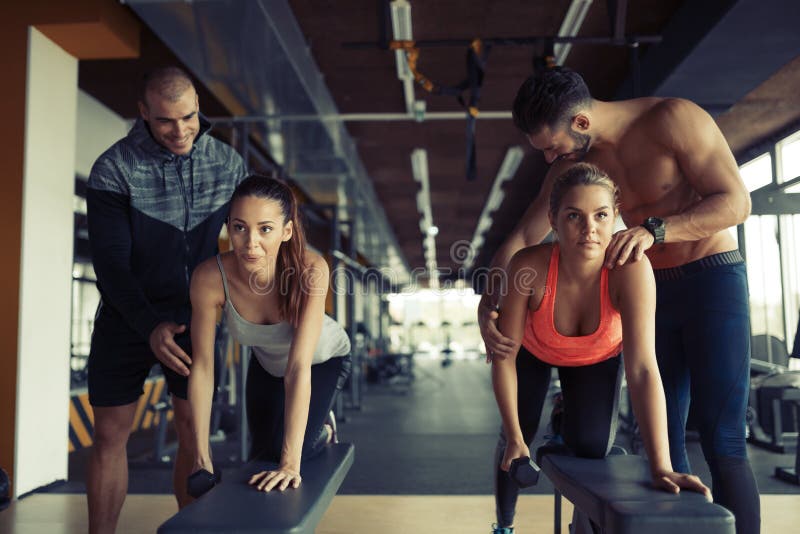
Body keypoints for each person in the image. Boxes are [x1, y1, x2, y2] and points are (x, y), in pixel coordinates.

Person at [480, 66, 758, 533]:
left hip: (711, 281)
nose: (550, 159)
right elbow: (522, 238)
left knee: (723, 439)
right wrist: (488, 302)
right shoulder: (577, 169)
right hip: (649, 291)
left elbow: (736, 203)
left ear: (581, 124)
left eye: (552, 145)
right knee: (661, 444)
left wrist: (654, 231)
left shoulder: (674, 119)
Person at [490, 163, 710, 533]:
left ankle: (564, 415)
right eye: (574, 215)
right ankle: (504, 524)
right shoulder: (527, 266)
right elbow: (504, 356)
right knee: (517, 439)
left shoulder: (631, 269)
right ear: (553, 220)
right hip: (533, 352)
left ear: (615, 217)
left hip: (597, 357)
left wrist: (661, 464)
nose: (589, 228)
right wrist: (514, 436)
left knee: (592, 447)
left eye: (601, 215)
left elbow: (642, 369)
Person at [86, 66, 247, 533]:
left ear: (199, 108)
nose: (180, 131)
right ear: (143, 114)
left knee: (192, 433)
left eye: (189, 117)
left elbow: (251, 237)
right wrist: (147, 325)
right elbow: (111, 264)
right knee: (110, 435)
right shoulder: (114, 168)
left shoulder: (227, 165)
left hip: (194, 315)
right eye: (165, 121)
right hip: (125, 313)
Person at [188, 174, 351, 493]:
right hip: (266, 366)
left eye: (265, 229)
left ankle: (323, 431)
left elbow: (298, 367)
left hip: (321, 362)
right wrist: (201, 456)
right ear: (228, 227)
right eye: (239, 227)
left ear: (286, 231)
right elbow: (204, 367)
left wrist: (291, 463)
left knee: (285, 456)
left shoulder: (311, 269)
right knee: (260, 458)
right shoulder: (209, 278)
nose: (251, 243)